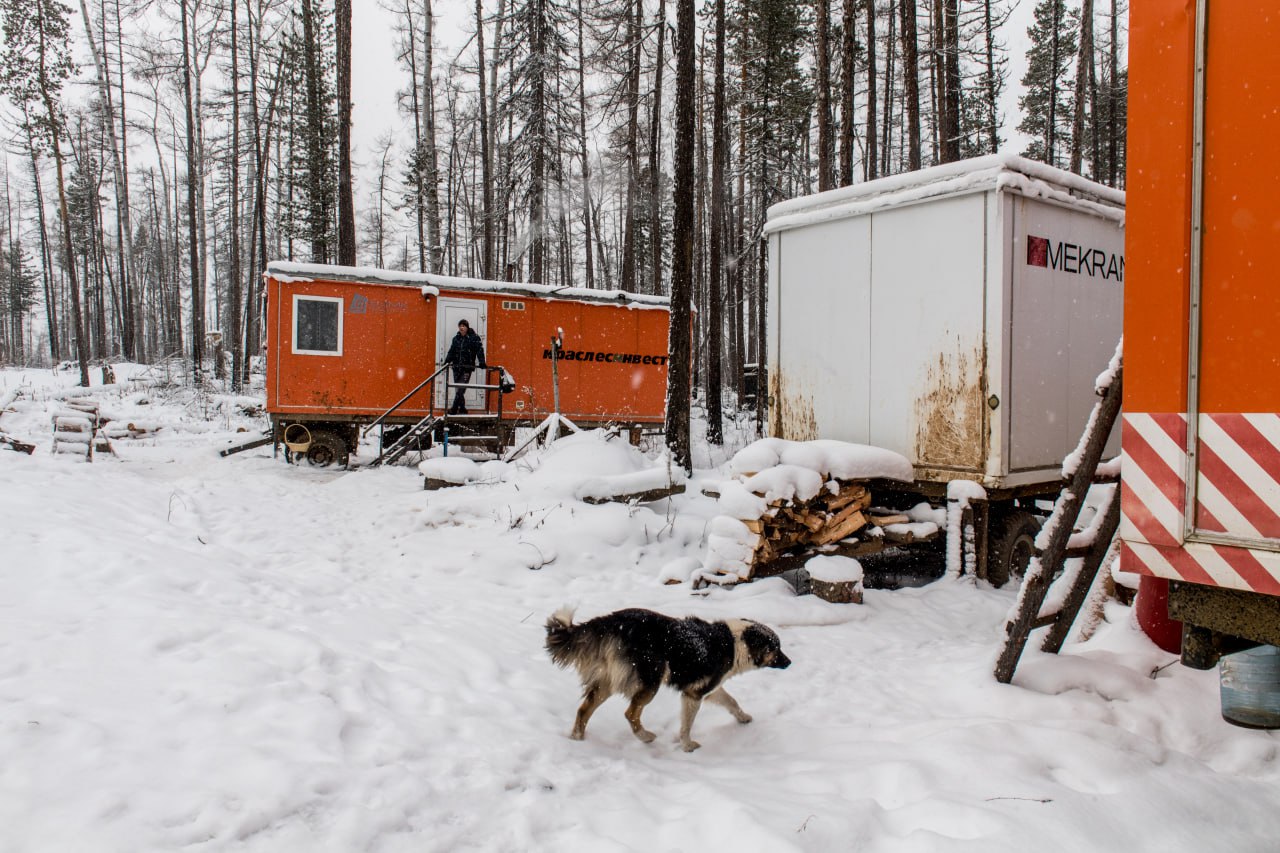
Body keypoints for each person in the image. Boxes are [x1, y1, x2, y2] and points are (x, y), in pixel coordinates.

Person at [444, 318, 486, 414]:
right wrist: (447, 361)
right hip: (456, 367)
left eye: (463, 326)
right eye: (460, 326)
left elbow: (479, 350)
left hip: (467, 368)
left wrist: (482, 362)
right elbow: (451, 351)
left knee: (461, 389)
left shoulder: (474, 338)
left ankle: (454, 409)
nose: (461, 328)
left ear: (467, 327)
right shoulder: (456, 339)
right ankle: (462, 409)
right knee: (459, 389)